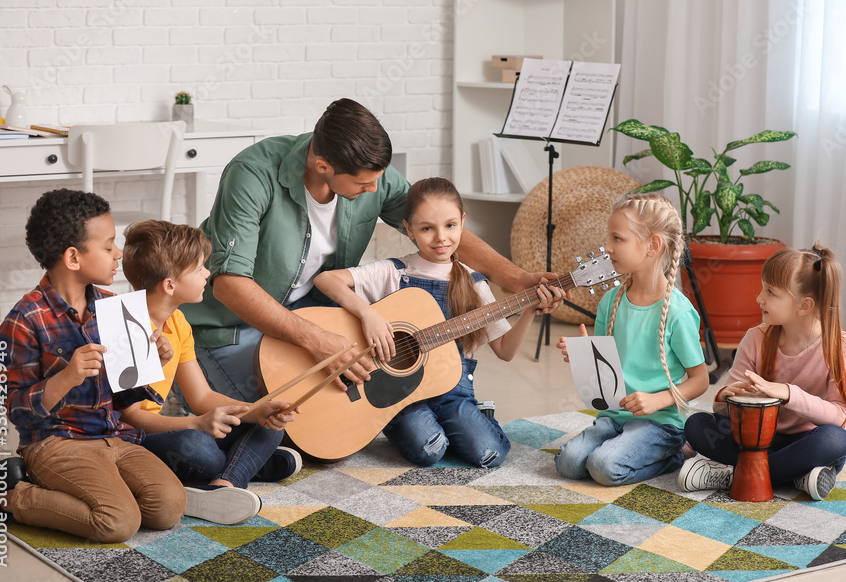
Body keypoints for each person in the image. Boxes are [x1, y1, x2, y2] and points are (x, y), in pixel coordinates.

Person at [182, 98, 551, 403]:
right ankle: (187, 391)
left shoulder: (373, 175)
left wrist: (515, 278)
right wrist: (317, 340)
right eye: (364, 184)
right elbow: (229, 284)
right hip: (232, 326)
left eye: (378, 179)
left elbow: (437, 222)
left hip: (317, 316)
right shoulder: (252, 174)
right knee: (275, 422)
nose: (377, 191)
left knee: (342, 419)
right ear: (323, 166)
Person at [313, 177, 565, 467]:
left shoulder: (474, 283)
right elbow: (325, 279)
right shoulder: (394, 272)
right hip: (403, 397)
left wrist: (530, 310)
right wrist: (367, 314)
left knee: (489, 454)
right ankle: (397, 421)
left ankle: (467, 421)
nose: (441, 238)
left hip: (454, 394)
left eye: (450, 225)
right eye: (427, 228)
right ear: (408, 229)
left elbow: (505, 351)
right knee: (428, 450)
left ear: (462, 222)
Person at [0, 189, 185, 543]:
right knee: (118, 523)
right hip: (55, 444)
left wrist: (152, 359)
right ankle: (15, 495)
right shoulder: (24, 320)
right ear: (74, 258)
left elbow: (125, 399)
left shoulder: (113, 306)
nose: (118, 254)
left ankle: (91, 490)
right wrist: (68, 376)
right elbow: (16, 412)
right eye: (108, 247)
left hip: (113, 437)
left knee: (167, 508)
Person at [118, 220, 303, 525]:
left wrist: (256, 411)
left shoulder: (178, 323)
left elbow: (201, 396)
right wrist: (197, 423)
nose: (207, 273)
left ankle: (224, 484)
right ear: (170, 285)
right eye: (200, 268)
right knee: (198, 448)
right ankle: (244, 469)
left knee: (270, 425)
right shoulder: (129, 327)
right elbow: (130, 417)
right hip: (133, 439)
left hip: (165, 428)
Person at [679, 244, 846, 501]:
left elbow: (841, 415)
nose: (759, 299)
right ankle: (796, 475)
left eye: (771, 292)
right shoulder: (755, 338)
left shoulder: (842, 346)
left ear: (804, 305)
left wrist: (789, 394)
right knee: (697, 425)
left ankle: (734, 475)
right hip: (752, 440)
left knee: (835, 441)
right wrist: (726, 397)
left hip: (804, 440)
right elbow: (724, 413)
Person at [555, 193, 709, 486]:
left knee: (603, 467)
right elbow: (605, 371)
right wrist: (584, 356)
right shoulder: (611, 301)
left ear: (652, 245)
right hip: (613, 416)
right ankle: (623, 448)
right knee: (569, 463)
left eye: (617, 239)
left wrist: (658, 400)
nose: (608, 248)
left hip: (660, 423)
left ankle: (676, 453)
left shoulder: (677, 312)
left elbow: (700, 380)